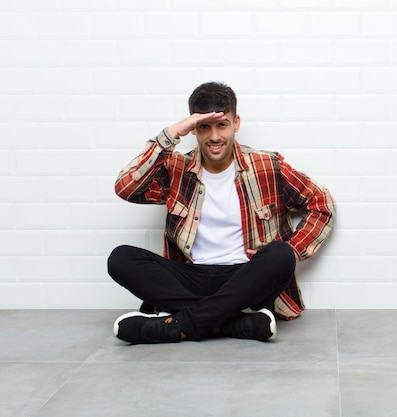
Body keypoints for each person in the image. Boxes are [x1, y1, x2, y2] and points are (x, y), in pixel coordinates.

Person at [107, 82, 335, 344]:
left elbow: (321, 203)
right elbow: (126, 188)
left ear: (236, 123)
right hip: (191, 276)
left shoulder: (267, 166)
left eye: (222, 124)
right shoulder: (176, 169)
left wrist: (296, 249)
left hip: (247, 279)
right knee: (121, 258)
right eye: (204, 127)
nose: (214, 136)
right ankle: (231, 323)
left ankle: (182, 324)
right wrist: (170, 135)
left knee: (282, 254)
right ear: (194, 129)